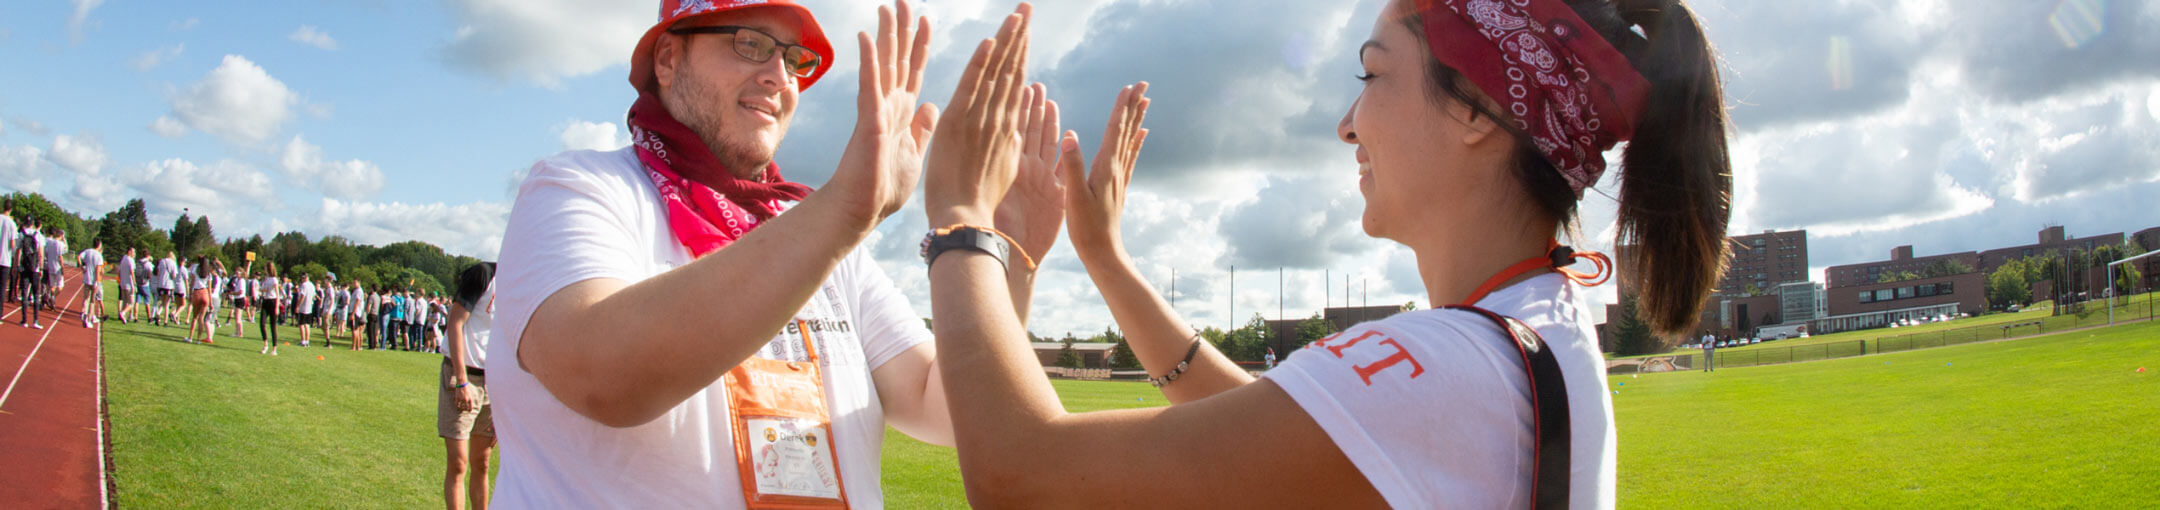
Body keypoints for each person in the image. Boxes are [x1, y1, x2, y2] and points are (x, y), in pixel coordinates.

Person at [918, 0, 1731, 506]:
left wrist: (964, 222)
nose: (1348, 122)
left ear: (1479, 110)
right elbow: (1288, 426)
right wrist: (1104, 256)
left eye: (1373, 76)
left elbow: (1022, 478)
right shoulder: (1525, 327)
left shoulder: (1456, 365)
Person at [489, 0, 957, 506]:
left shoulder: (826, 244)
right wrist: (843, 212)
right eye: (750, 44)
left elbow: (944, 406)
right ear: (667, 58)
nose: (780, 76)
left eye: (795, 59)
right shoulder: (579, 189)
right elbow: (600, 373)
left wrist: (987, 243)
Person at [440, 263, 497, 510]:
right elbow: (455, 323)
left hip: (494, 382)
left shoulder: (524, 286)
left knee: (483, 462)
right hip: (463, 375)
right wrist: (461, 381)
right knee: (458, 462)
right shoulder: (484, 274)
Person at [16, 221, 43, 329]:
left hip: (24, 267)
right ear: (33, 223)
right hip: (35, 268)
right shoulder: (38, 235)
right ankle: (35, 320)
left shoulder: (21, 234)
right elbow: (40, 253)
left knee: (24, 293)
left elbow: (18, 251)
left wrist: (16, 265)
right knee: (36, 294)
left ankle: (24, 320)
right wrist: (41, 268)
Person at [77, 242, 104, 327]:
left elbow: (78, 257)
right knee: (92, 301)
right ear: (99, 245)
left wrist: (81, 267)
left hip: (86, 278)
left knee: (86, 298)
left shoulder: (87, 251)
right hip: (94, 280)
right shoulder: (99, 256)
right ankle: (88, 319)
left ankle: (84, 314)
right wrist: (96, 281)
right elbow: (98, 270)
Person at [258, 265, 283, 355]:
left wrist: (277, 307)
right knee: (262, 323)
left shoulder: (274, 280)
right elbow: (265, 289)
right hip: (266, 301)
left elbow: (277, 293)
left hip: (273, 302)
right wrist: (260, 289)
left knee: (273, 327)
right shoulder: (266, 279)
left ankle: (274, 348)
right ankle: (265, 344)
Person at [0, 200, 16, 306]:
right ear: (11, 209)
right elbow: (12, 244)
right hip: (5, 260)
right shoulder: (11, 224)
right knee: (1, 289)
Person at [117, 247, 138, 324]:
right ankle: (123, 313)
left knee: (125, 301)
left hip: (123, 283)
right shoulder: (130, 260)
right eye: (133, 252)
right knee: (131, 303)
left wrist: (120, 279)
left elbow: (119, 271)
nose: (134, 254)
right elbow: (132, 273)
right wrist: (135, 284)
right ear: (129, 252)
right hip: (129, 284)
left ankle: (123, 317)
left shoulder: (123, 259)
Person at [296, 274, 317, 347]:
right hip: (309, 307)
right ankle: (307, 341)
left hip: (303, 307)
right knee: (307, 325)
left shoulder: (304, 285)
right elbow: (314, 296)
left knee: (301, 324)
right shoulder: (312, 285)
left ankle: (303, 341)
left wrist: (298, 306)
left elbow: (302, 296)